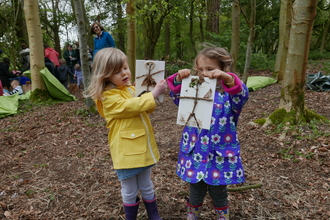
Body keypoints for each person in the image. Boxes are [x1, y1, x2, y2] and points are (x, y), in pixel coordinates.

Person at [166, 47, 249, 220]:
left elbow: (241, 94)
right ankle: (192, 216)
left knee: (219, 192)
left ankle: (222, 217)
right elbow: (176, 97)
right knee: (195, 189)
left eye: (210, 69)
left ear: (223, 69)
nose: (204, 74)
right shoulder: (194, 91)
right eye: (200, 70)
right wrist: (178, 78)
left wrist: (227, 79)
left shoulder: (229, 97)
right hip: (195, 152)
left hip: (218, 155)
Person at [84, 48, 166, 220]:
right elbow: (130, 107)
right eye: (117, 71)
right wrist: (152, 94)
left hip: (141, 148)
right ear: (105, 75)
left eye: (125, 68)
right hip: (127, 152)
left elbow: (146, 108)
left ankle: (154, 215)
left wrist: (147, 92)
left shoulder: (128, 89)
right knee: (129, 189)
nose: (124, 73)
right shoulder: (108, 97)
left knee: (146, 185)